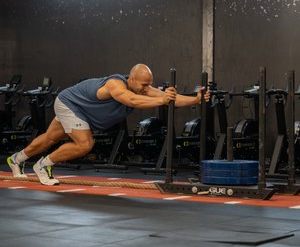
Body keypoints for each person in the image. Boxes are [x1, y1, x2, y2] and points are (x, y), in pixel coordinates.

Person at [7, 64, 210, 185]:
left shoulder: (142, 89)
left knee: (50, 138)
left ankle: (16, 160)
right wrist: (162, 100)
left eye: (149, 84)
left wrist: (196, 99)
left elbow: (171, 99)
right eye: (144, 84)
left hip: (80, 109)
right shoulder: (115, 85)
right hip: (70, 103)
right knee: (85, 144)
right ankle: (43, 165)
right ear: (131, 79)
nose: (147, 88)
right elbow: (131, 101)